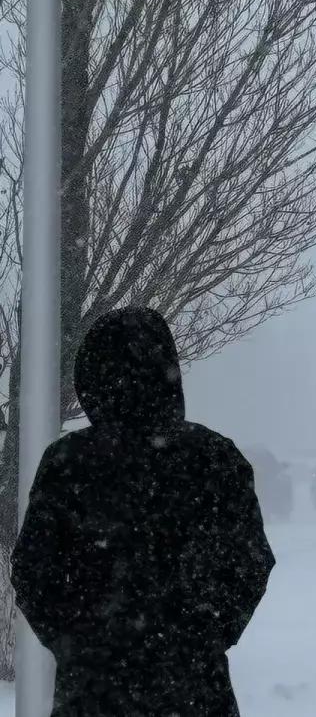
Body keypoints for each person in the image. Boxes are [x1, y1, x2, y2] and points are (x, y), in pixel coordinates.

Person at [10, 306, 275, 717]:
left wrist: (76, 639)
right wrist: (205, 631)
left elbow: (33, 568)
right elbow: (250, 561)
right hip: (194, 685)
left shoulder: (69, 461)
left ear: (91, 377)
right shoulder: (215, 458)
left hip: (94, 688)